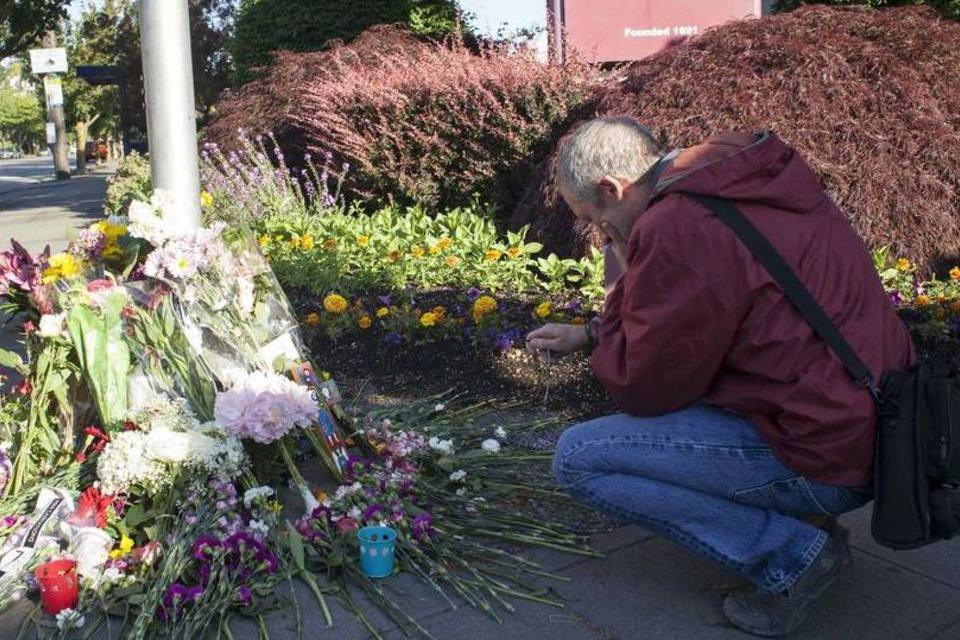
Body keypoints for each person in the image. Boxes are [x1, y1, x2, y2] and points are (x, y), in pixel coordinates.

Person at [526, 117, 914, 637]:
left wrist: (621, 271)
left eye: (595, 219)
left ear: (611, 188)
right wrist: (594, 334)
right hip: (882, 424)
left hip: (828, 454)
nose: (601, 235)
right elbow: (705, 321)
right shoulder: (730, 176)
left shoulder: (676, 226)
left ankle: (795, 556)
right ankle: (805, 523)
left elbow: (643, 387)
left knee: (579, 459)